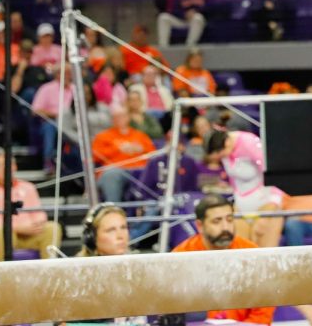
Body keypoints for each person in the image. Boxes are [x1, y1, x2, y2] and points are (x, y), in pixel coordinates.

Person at [172, 194, 275, 325]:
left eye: (230, 220)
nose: (226, 228)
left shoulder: (252, 253)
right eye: (217, 221)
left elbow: (263, 312)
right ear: (200, 226)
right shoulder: (180, 257)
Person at [0, 150, 62, 261]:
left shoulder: (28, 187)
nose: (5, 168)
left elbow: (39, 213)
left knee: (52, 227)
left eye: (9, 164)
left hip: (31, 233)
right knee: (2, 231)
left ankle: (50, 271)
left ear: (15, 167)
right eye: (0, 165)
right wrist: (19, 228)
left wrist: (34, 225)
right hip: (9, 235)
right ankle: (5, 273)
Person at [204, 129, 283, 247]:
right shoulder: (224, 150)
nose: (221, 158)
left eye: (220, 154)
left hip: (265, 204)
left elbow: (274, 172)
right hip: (241, 206)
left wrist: (273, 204)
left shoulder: (250, 143)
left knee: (265, 255)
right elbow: (234, 179)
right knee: (242, 252)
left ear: (226, 143)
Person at [91, 106, 155, 203]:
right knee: (112, 174)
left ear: (128, 117)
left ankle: (150, 209)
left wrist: (141, 149)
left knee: (153, 173)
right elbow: (96, 156)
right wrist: (117, 149)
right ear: (112, 119)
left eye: (123, 116)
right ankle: (113, 209)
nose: (120, 119)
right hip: (115, 169)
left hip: (140, 169)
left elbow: (154, 155)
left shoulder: (140, 135)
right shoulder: (103, 136)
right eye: (116, 116)